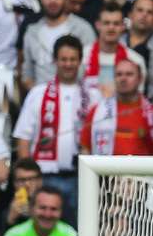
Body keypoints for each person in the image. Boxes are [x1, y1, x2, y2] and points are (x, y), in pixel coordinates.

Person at [13, 35, 100, 224]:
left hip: (80, 177)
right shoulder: (39, 93)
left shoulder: (93, 96)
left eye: (73, 59)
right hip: (44, 178)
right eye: (63, 59)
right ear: (55, 61)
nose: (68, 64)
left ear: (80, 61)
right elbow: (22, 139)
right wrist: (27, 179)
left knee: (79, 227)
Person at [80, 57, 153, 157]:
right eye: (119, 74)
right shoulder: (96, 111)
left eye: (129, 74)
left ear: (141, 79)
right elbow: (86, 150)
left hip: (142, 172)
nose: (123, 79)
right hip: (106, 171)